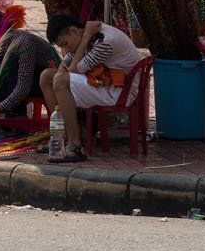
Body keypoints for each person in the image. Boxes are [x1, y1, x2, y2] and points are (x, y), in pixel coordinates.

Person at [40, 15, 143, 163]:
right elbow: (67, 63)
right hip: (103, 81)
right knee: (46, 76)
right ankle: (61, 137)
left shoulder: (104, 41)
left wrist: (86, 37)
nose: (66, 49)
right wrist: (83, 40)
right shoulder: (85, 36)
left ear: (75, 31)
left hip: (119, 90)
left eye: (65, 43)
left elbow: (74, 70)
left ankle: (75, 146)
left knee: (60, 81)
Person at [0, 27, 59, 119]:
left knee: (12, 64)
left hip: (47, 83)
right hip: (26, 80)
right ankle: (7, 117)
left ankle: (17, 116)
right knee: (1, 70)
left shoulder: (24, 44)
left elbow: (23, 88)